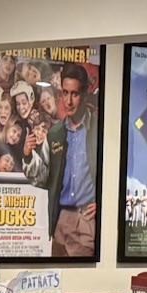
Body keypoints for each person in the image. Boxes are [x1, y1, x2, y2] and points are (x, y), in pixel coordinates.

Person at [24, 61, 99, 255]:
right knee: (56, 274)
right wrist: (28, 155)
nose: (69, 101)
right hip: (60, 220)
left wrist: (103, 202)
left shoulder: (98, 128)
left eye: (74, 94)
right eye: (65, 93)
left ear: (84, 94)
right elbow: (42, 179)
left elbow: (115, 171)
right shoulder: (55, 132)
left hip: (86, 219)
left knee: (81, 274)